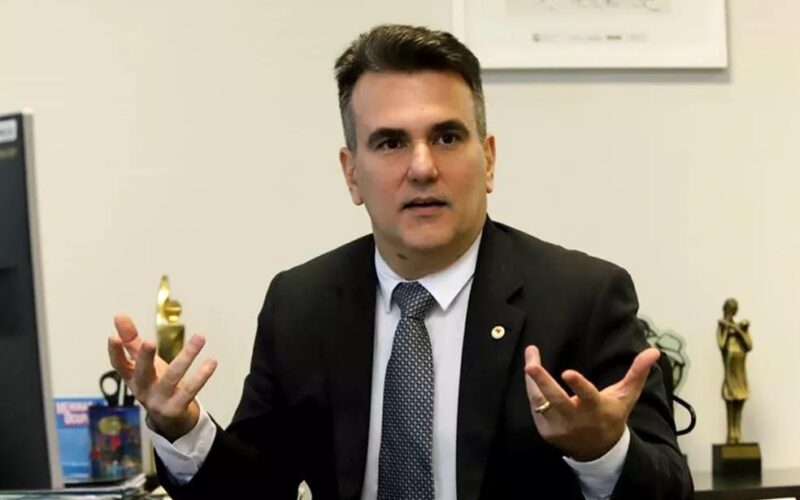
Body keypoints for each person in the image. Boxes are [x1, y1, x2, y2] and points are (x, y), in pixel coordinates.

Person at [107, 24, 692, 499]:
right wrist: (182, 428)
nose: (422, 167)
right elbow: (258, 490)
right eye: (390, 142)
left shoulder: (583, 298)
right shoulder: (302, 304)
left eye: (446, 137)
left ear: (488, 160)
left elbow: (670, 489)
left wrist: (601, 452)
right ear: (351, 174)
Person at [717, 298, 752, 445]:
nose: (730, 313)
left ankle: (738, 433)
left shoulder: (740, 328)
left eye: (733, 310)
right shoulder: (722, 327)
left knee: (740, 401)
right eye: (729, 310)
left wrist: (737, 329)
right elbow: (721, 344)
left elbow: (749, 345)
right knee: (730, 401)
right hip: (730, 372)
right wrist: (726, 328)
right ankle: (731, 434)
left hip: (740, 372)